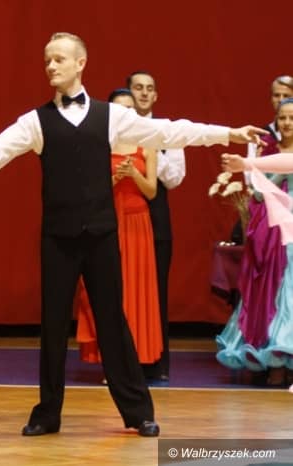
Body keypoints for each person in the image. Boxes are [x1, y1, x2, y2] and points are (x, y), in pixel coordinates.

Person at [0, 32, 265, 437]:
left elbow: (169, 132)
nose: (51, 66)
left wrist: (229, 133)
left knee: (113, 320)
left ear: (80, 63)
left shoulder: (111, 116)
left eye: (59, 59)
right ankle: (47, 413)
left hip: (101, 236)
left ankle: (138, 412)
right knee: (53, 325)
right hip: (57, 239)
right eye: (47, 60)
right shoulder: (35, 121)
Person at [75, 89, 162, 374]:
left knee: (137, 291)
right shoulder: (100, 144)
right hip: (107, 221)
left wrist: (133, 174)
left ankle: (136, 359)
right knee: (107, 290)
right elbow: (88, 191)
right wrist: (114, 178)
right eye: (119, 108)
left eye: (129, 108)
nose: (125, 112)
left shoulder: (147, 144)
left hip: (137, 223)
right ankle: (111, 362)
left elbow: (151, 191)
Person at [218, 98, 293, 384]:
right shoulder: (267, 151)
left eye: (292, 118)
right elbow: (260, 195)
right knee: (274, 290)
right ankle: (273, 360)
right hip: (272, 227)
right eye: (282, 118)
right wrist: (260, 167)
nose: (287, 123)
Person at [127, 71, 186, 382]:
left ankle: (157, 361)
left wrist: (150, 149)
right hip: (123, 216)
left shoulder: (167, 131)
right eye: (138, 88)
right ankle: (124, 359)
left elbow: (175, 178)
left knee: (156, 290)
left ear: (156, 95)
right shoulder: (116, 129)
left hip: (156, 217)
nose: (144, 93)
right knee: (123, 290)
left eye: (149, 89)